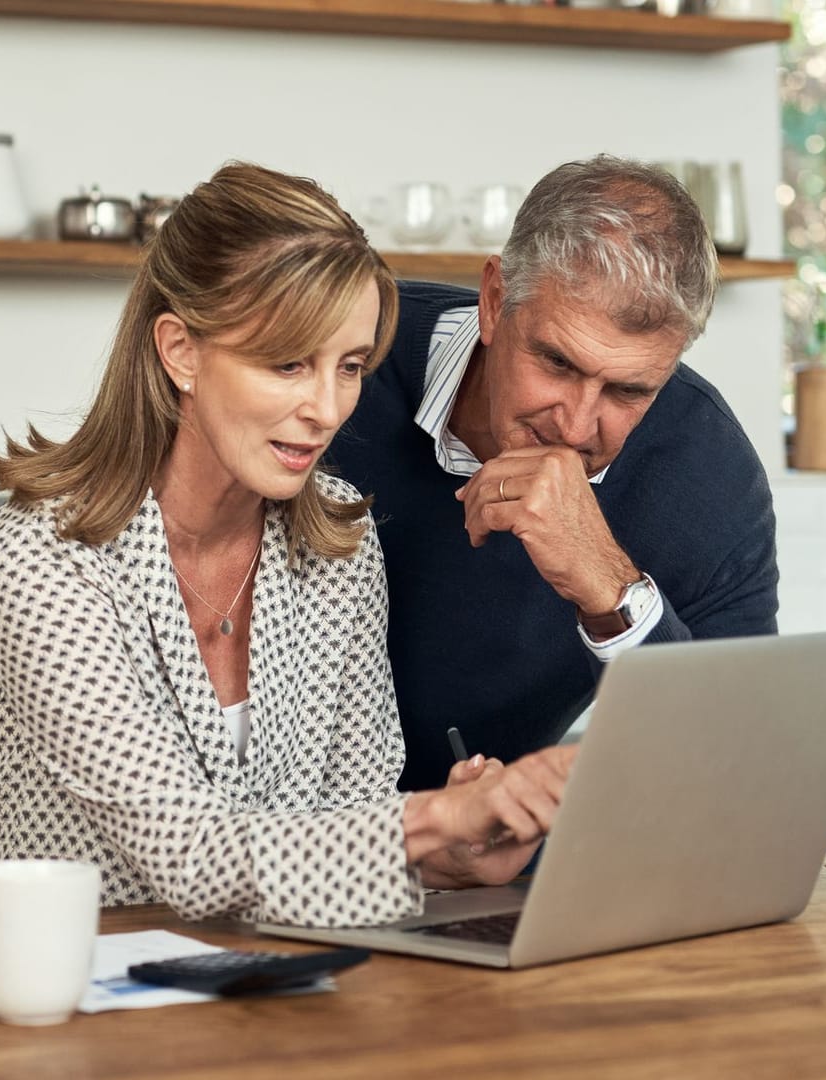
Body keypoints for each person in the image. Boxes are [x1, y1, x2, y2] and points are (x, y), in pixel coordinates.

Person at [0, 163, 577, 929]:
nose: (327, 408)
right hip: (34, 992)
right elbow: (190, 854)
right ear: (181, 351)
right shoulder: (40, 562)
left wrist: (445, 860)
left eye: (351, 366)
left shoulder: (339, 548)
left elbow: (346, 817)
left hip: (247, 991)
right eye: (287, 363)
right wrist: (438, 819)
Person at [328, 155, 779, 793]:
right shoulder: (345, 365)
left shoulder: (708, 473)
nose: (575, 426)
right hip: (282, 849)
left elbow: (737, 768)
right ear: (493, 299)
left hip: (494, 860)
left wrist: (611, 591)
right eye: (557, 363)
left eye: (627, 390)